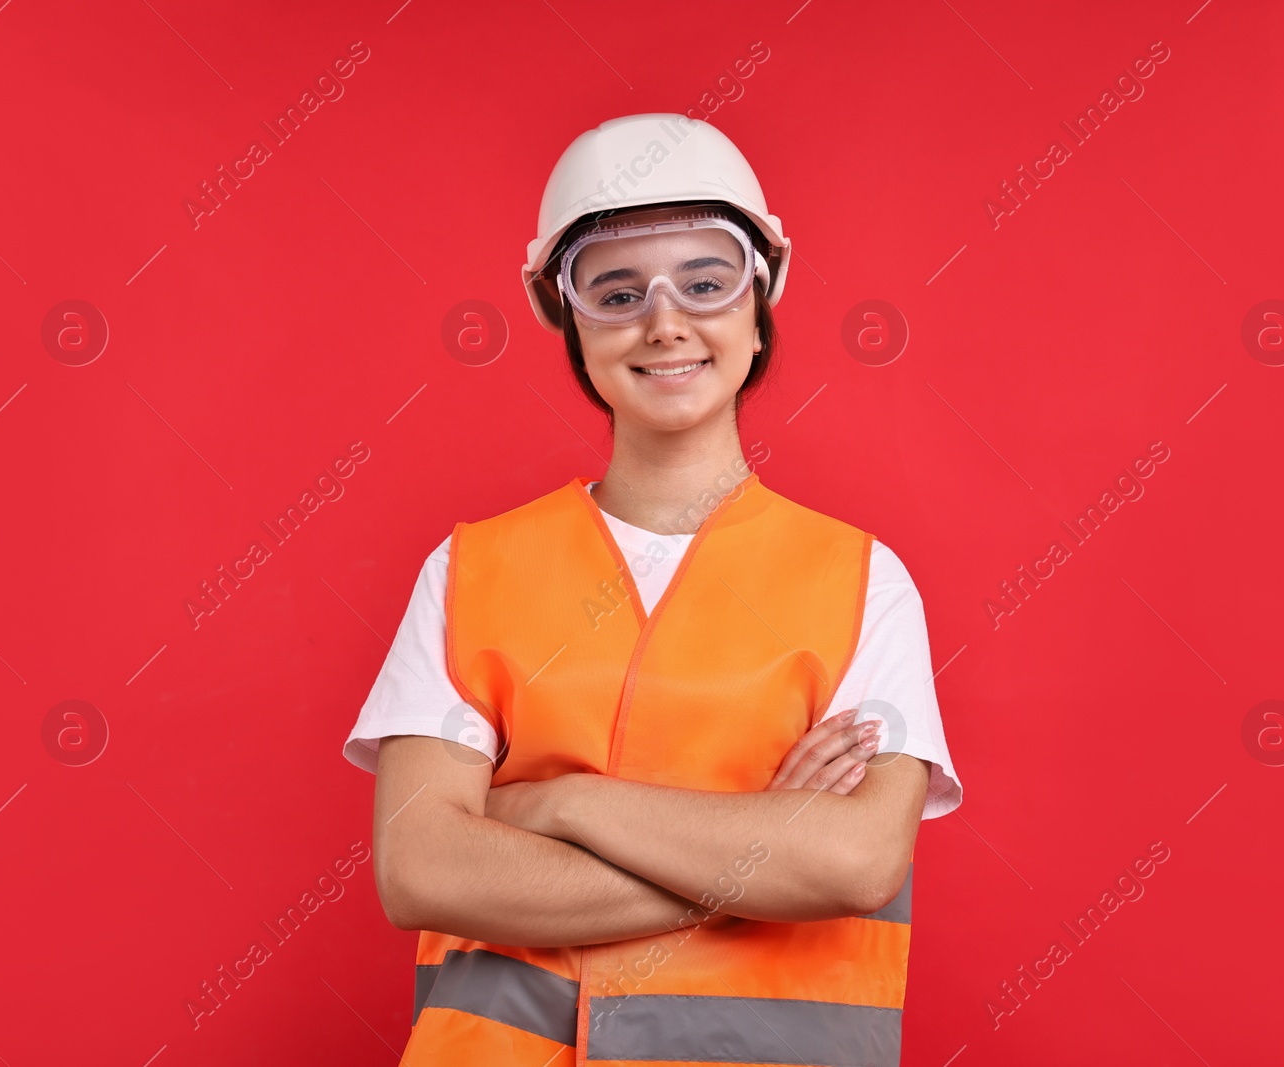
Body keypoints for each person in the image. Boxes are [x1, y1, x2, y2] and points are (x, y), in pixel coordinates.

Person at [342, 112, 962, 1066]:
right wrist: (760, 855)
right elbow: (419, 867)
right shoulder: (469, 570)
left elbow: (856, 860)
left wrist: (553, 806)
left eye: (706, 283)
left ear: (763, 297)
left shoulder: (863, 583)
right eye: (617, 290)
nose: (665, 321)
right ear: (563, 313)